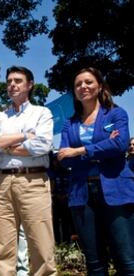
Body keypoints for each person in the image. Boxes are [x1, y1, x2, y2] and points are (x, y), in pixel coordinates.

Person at [57, 67, 134, 275]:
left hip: (116, 190)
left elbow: (120, 144)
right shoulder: (69, 124)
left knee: (126, 259)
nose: (83, 86)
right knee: (94, 261)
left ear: (99, 86)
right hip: (82, 195)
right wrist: (103, 147)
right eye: (78, 84)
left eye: (88, 82)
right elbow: (63, 159)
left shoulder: (116, 114)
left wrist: (79, 150)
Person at [0, 66, 56, 275]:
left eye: (18, 80)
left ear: (29, 85)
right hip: (3, 183)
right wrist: (24, 136)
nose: (12, 84)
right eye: (9, 81)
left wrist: (3, 145)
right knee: (3, 245)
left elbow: (43, 145)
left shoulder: (42, 112)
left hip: (33, 181)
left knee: (41, 243)